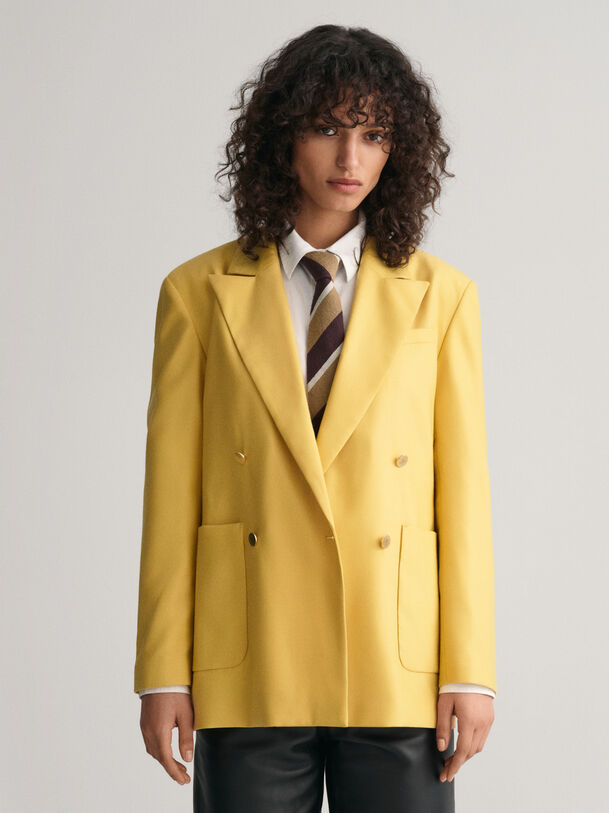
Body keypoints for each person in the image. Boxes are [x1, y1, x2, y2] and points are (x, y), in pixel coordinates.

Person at [134, 23, 497, 813]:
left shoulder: (442, 297)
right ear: (282, 138)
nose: (350, 158)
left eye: (374, 134)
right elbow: (170, 495)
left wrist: (470, 669)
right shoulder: (196, 294)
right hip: (250, 657)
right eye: (328, 128)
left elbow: (463, 497)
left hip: (396, 660)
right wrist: (162, 670)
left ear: (399, 150)